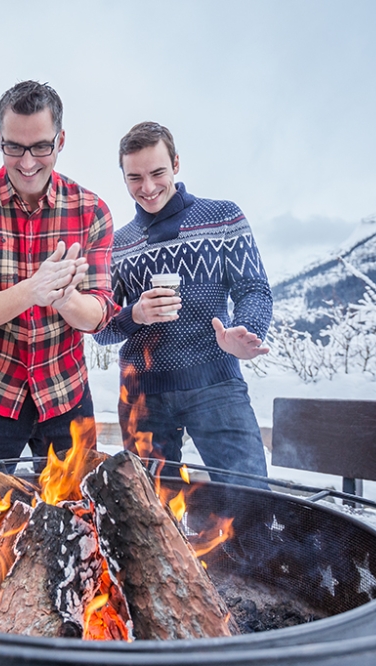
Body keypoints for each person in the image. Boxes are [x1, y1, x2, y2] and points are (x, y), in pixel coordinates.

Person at [0, 81, 117, 478]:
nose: (26, 162)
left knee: (79, 510)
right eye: (14, 147)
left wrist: (65, 299)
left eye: (40, 147)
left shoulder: (91, 211)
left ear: (61, 141)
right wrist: (31, 290)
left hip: (66, 391)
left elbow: (99, 315)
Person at [94, 121, 272, 489]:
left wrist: (246, 332)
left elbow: (253, 288)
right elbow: (101, 329)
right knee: (149, 511)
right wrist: (135, 314)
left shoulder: (223, 217)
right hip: (142, 397)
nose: (147, 188)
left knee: (251, 498)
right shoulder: (117, 244)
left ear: (176, 163)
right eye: (135, 178)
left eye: (157, 173)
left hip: (217, 384)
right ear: (123, 177)